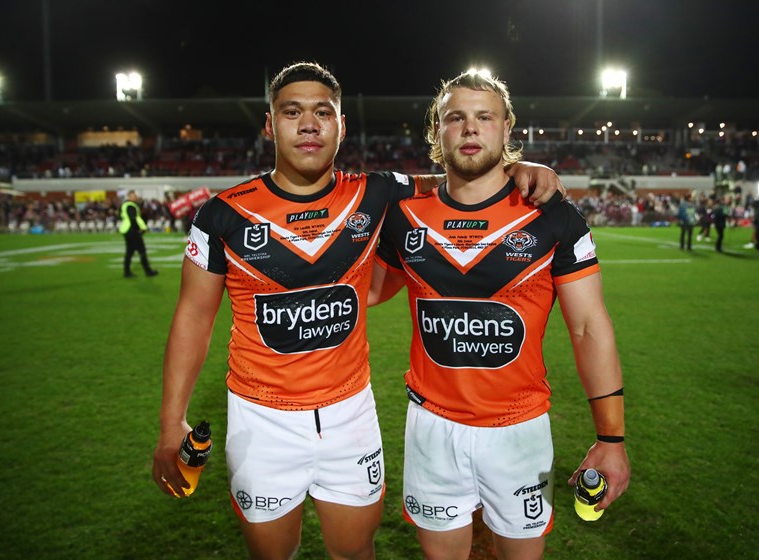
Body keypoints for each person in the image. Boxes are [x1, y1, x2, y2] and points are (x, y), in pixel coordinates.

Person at [150, 62, 564, 560]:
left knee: (355, 552)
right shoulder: (223, 214)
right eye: (292, 112)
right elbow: (194, 318)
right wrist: (171, 421)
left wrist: (521, 170)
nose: (309, 124)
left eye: (323, 112)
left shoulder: (376, 192)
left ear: (341, 126)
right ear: (269, 124)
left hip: (350, 416)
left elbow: (462, 178)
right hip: (260, 420)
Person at [369, 70, 630, 560]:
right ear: (437, 131)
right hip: (432, 427)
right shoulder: (405, 217)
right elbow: (363, 293)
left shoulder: (552, 215)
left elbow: (589, 327)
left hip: (519, 429)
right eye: (456, 118)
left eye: (484, 117)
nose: (470, 129)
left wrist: (610, 438)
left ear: (506, 127)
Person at [119, 190, 158, 278]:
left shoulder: (126, 205)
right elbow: (133, 218)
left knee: (130, 251)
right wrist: (139, 229)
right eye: (134, 196)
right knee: (142, 250)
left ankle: (127, 272)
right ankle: (148, 271)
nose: (135, 197)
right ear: (129, 197)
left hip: (128, 230)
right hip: (132, 230)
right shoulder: (130, 205)